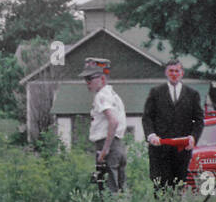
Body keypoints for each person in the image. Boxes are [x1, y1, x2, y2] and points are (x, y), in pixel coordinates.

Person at [142, 58, 205, 192]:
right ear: (166, 72)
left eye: (177, 71)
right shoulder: (156, 92)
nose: (174, 74)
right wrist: (151, 135)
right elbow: (147, 117)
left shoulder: (192, 94)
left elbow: (199, 120)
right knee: (160, 187)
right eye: (171, 71)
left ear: (182, 73)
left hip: (181, 149)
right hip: (160, 149)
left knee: (178, 187)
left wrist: (193, 138)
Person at [82, 60, 127, 194]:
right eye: (85, 79)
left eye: (90, 78)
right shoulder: (113, 95)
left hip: (108, 145)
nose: (87, 83)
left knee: (108, 191)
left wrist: (105, 149)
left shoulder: (101, 96)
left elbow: (113, 121)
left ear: (102, 78)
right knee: (120, 188)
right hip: (118, 146)